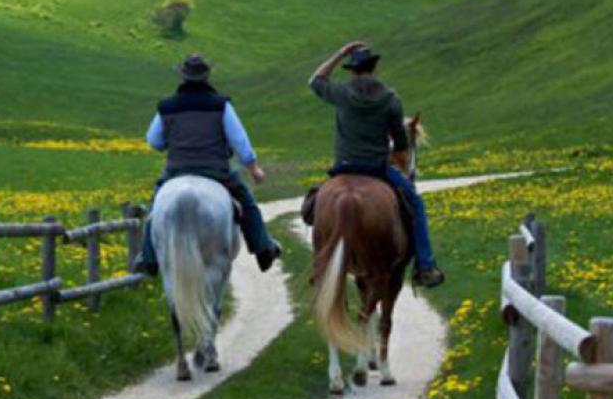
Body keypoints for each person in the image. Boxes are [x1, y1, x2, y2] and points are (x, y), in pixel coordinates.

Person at [130, 54, 282, 276]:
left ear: (183, 77)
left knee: (155, 209)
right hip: (216, 171)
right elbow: (239, 140)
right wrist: (253, 168)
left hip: (176, 171)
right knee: (247, 203)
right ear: (206, 76)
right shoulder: (221, 105)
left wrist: (171, 142)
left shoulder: (167, 107)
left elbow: (154, 140)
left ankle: (148, 258)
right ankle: (262, 248)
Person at [308, 40, 444, 287]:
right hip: (377, 169)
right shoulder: (391, 99)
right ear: (374, 69)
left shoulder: (341, 94)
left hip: (343, 168)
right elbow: (401, 145)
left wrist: (340, 52)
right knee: (416, 203)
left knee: (314, 206)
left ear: (352, 70)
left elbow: (315, 81)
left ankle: (319, 264)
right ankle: (425, 265)